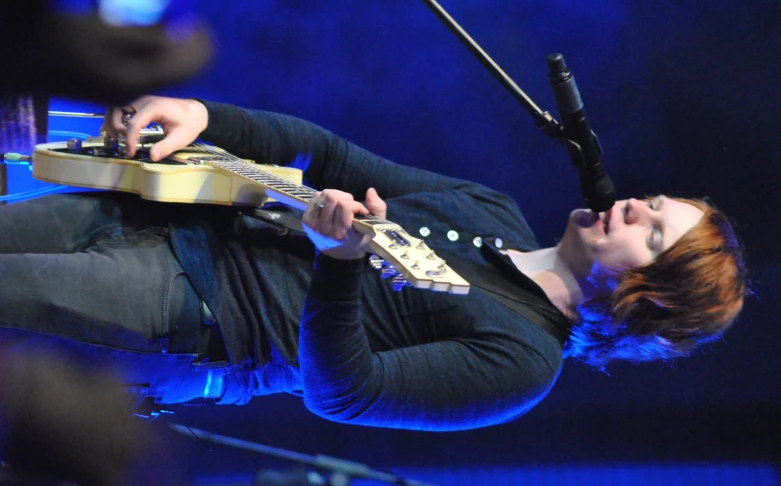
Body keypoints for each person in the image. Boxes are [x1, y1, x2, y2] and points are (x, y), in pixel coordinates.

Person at [0, 95, 747, 431]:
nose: (635, 207)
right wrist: (210, 118)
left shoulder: (522, 363)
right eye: (653, 202)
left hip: (193, 314)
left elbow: (346, 394)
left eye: (651, 233)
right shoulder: (494, 209)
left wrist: (340, 264)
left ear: (638, 299)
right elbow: (328, 155)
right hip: (157, 216)